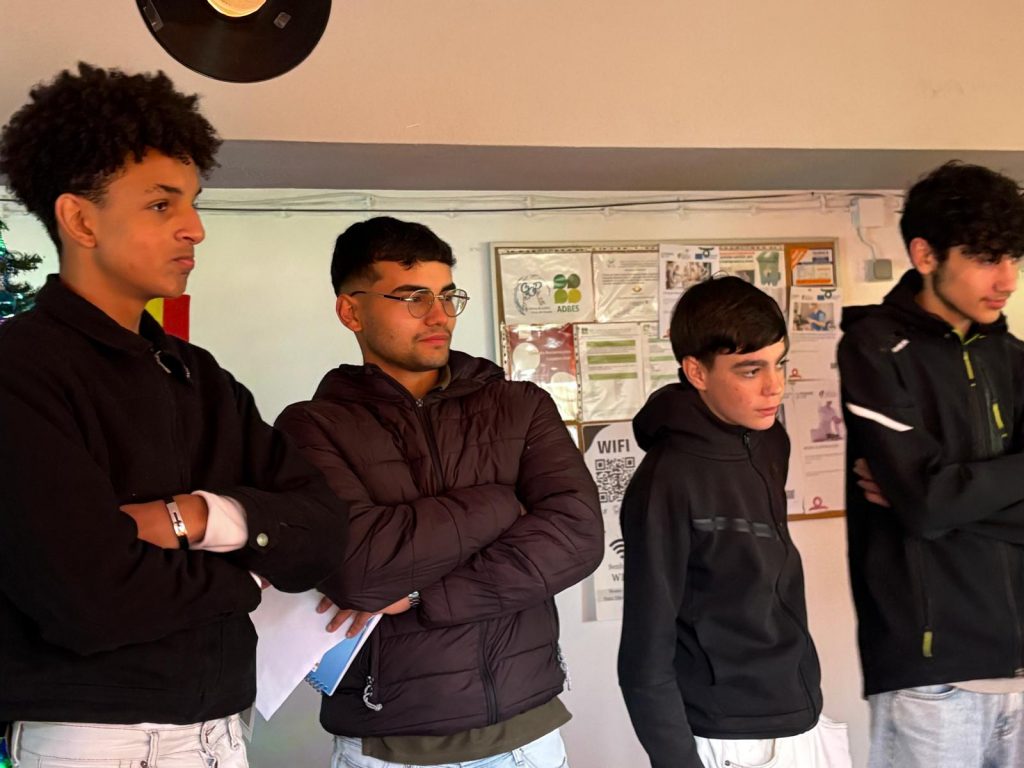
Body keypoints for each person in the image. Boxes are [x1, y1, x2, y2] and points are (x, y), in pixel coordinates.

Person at [0, 63, 348, 767]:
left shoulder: (198, 375)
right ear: (80, 219)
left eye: (191, 203)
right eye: (162, 205)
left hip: (223, 731)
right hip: (92, 743)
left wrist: (198, 517)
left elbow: (322, 530)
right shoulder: (20, 370)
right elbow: (89, 599)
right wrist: (249, 574)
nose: (195, 229)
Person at [275, 216, 603, 768]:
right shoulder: (311, 427)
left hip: (527, 740)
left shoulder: (520, 406)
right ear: (351, 311)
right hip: (388, 750)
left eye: (448, 296)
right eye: (413, 297)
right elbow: (361, 571)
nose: (439, 315)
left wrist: (423, 596)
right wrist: (504, 503)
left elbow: (577, 537)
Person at [619, 276, 849, 768]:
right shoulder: (666, 480)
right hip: (730, 738)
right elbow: (644, 652)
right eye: (750, 370)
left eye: (779, 363)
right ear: (696, 372)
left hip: (801, 715)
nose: (775, 386)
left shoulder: (769, 441)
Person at [838, 161, 1024, 768]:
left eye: (1013, 257)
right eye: (985, 258)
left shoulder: (1014, 357)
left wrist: (939, 498)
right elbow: (924, 506)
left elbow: (928, 501)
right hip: (930, 678)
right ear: (925, 255)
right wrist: (927, 500)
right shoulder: (874, 347)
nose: (1007, 279)